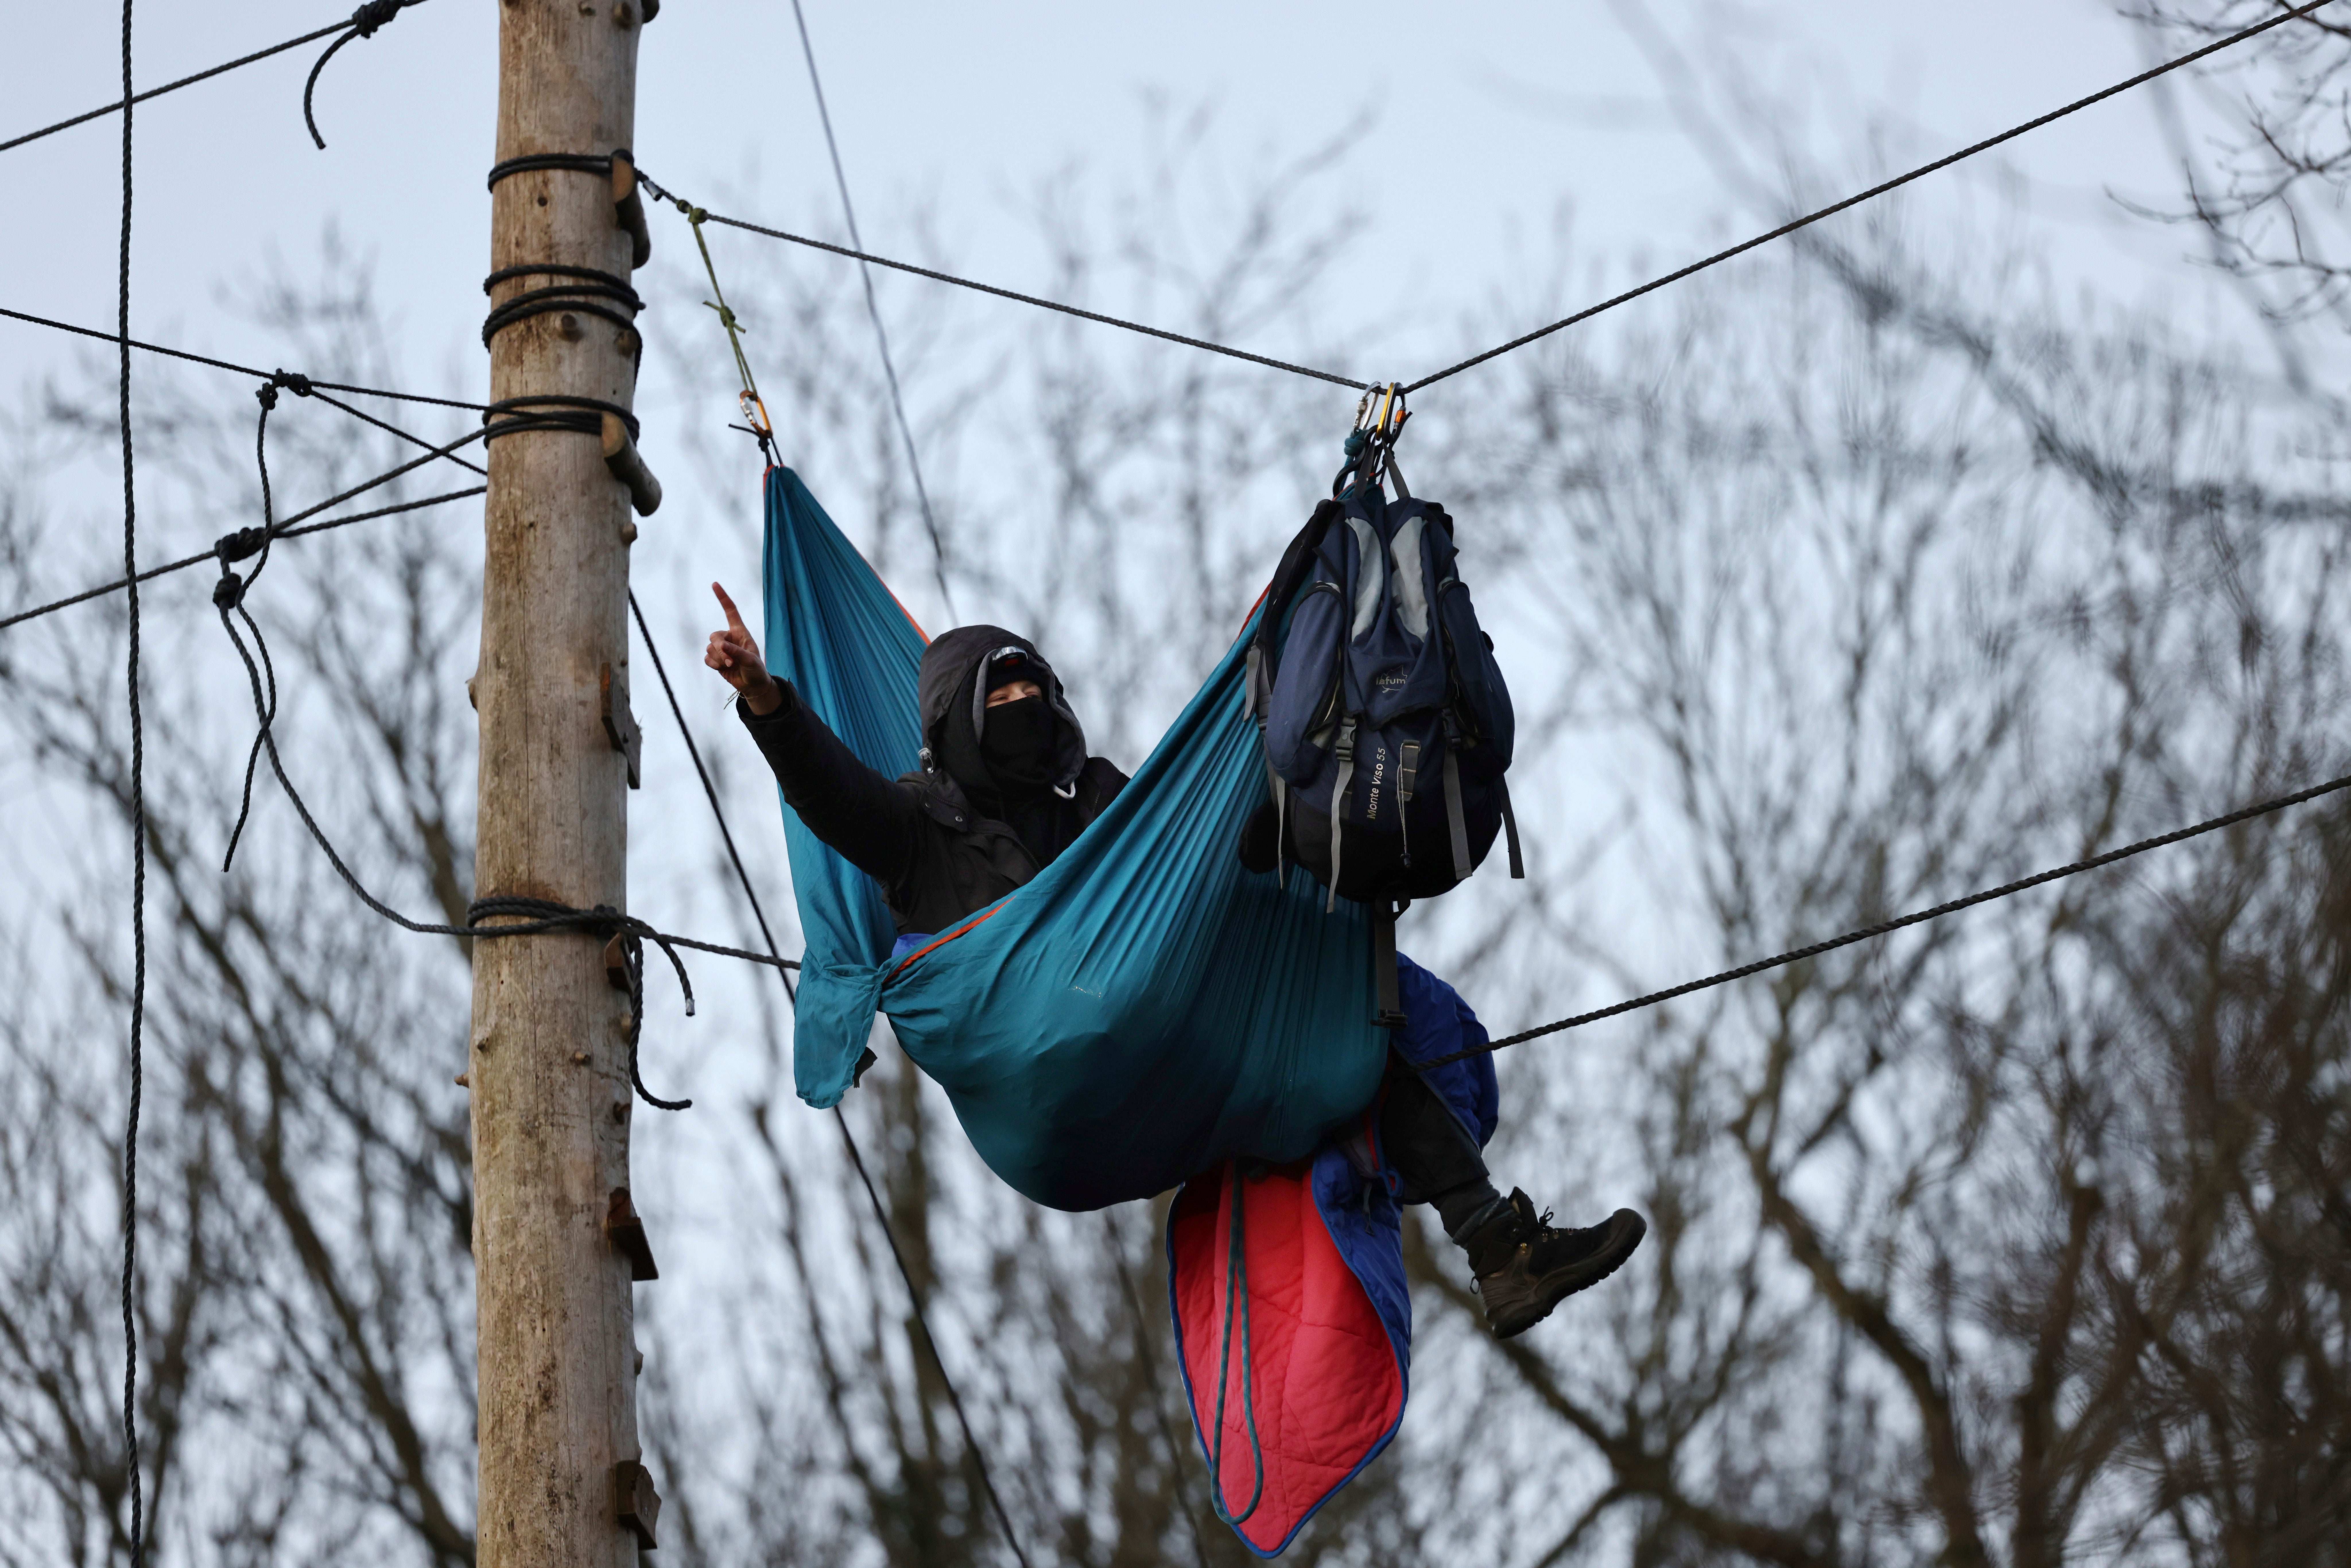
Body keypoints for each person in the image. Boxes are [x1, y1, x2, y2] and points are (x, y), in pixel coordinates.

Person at [706, 582, 1644, 1337]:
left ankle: (1498, 1250)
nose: (1025, 706)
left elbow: (1197, 847)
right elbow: (831, 797)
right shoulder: (916, 825)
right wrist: (767, 700)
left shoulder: (1106, 801)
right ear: (955, 725)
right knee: (1306, 1002)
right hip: (1046, 1076)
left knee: (1341, 1009)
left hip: (1155, 1046)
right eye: (1000, 699)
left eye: (1036, 690)